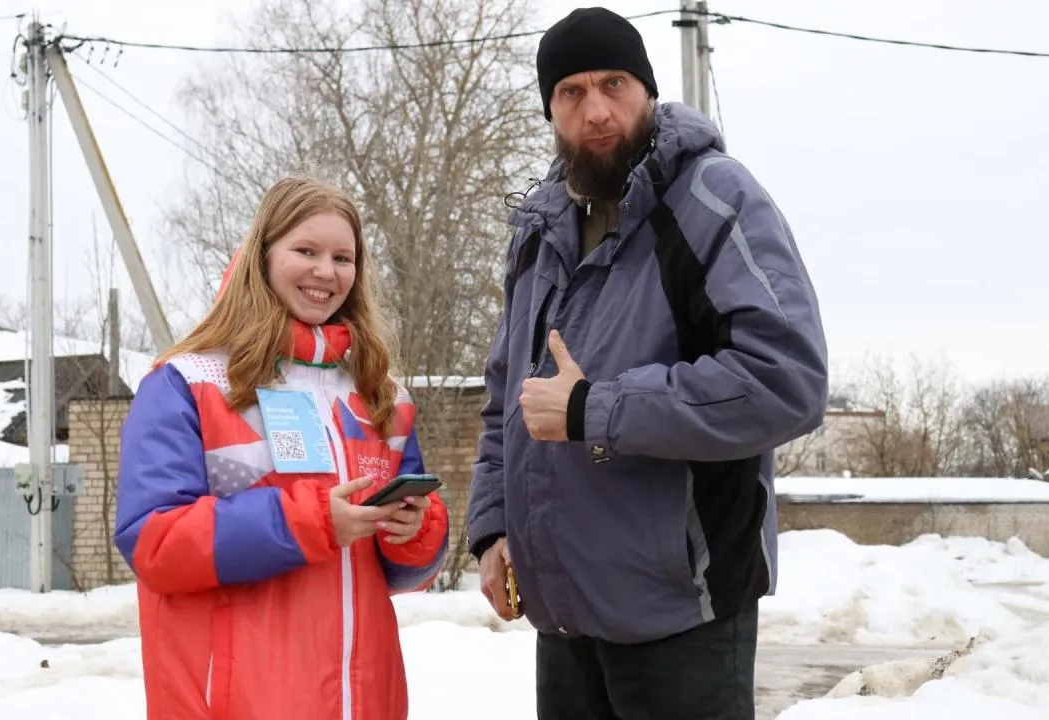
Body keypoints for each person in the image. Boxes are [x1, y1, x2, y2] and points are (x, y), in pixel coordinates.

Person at [467, 7, 829, 720]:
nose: (596, 110)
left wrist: (593, 409)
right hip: (565, 616)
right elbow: (503, 397)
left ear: (649, 90)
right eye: (571, 92)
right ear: (550, 110)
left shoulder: (715, 199)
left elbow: (787, 380)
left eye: (615, 83)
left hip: (681, 612)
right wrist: (492, 527)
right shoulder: (538, 231)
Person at [114, 176, 450, 720]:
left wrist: (415, 529)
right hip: (235, 703)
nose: (326, 271)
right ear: (262, 256)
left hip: (363, 701)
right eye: (306, 251)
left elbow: (405, 574)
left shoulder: (380, 394)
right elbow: (154, 541)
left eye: (343, 257)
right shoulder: (187, 383)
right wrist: (310, 523)